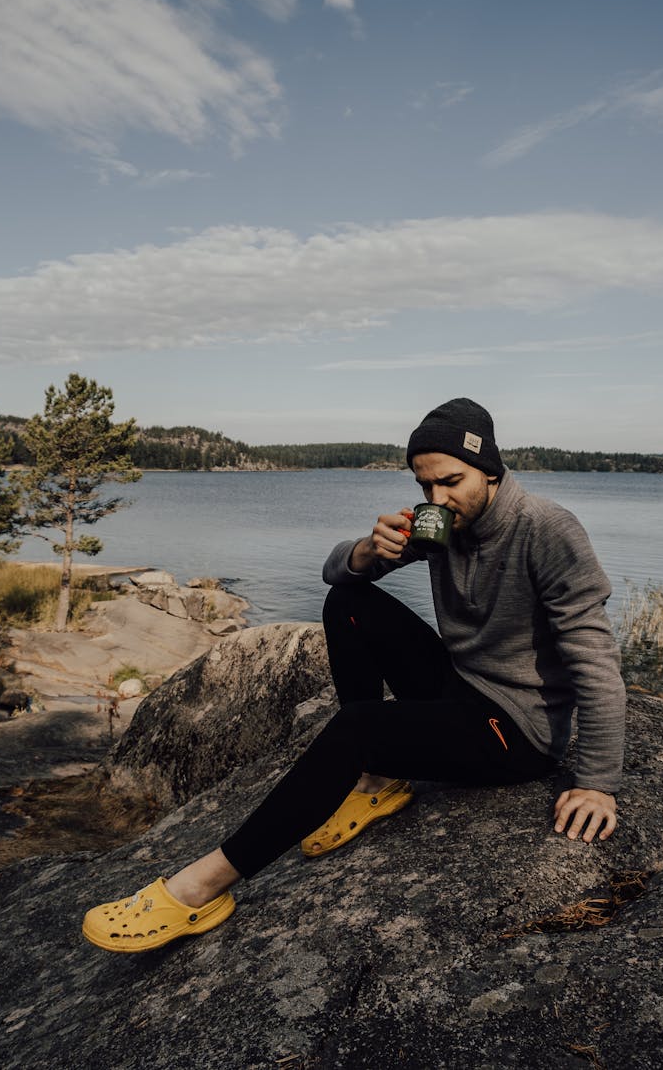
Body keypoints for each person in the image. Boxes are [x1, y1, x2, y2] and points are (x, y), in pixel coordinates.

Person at [82, 397, 626, 954]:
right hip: (461, 685)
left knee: (359, 729)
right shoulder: (444, 520)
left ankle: (201, 887)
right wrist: (369, 550)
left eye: (450, 482)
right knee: (350, 600)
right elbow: (333, 571)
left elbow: (596, 657)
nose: (437, 498)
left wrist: (597, 784)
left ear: (491, 471)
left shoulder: (547, 530)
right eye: (425, 487)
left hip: (516, 730)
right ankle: (374, 779)